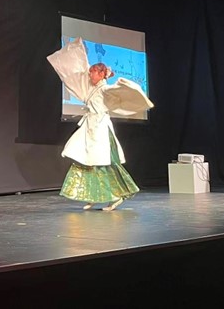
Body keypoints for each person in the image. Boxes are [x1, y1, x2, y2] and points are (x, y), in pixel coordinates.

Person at [47, 37, 154, 211]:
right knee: (88, 161)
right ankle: (94, 196)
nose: (90, 75)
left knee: (104, 163)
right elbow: (77, 77)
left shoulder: (105, 89)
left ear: (101, 74)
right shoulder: (92, 87)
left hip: (100, 129)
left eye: (93, 73)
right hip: (90, 126)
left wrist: (123, 83)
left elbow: (119, 92)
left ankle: (118, 196)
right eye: (90, 73)